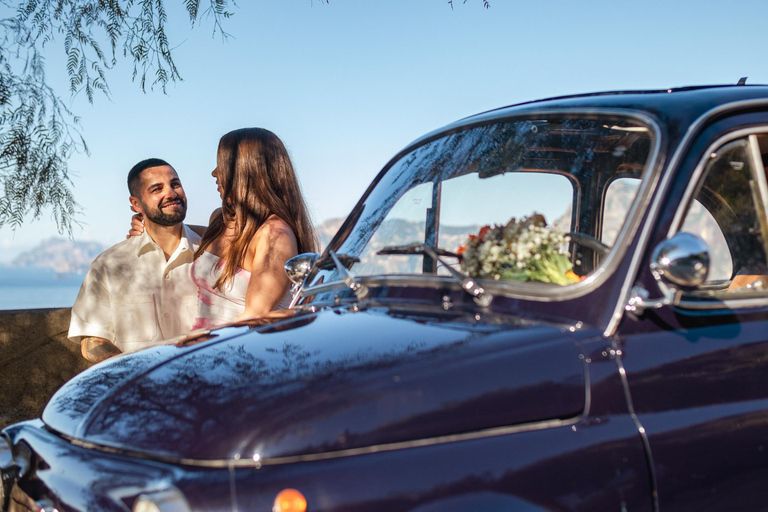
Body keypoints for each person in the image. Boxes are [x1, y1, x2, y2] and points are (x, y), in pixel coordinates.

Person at [69, 158, 201, 362]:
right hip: (141, 389)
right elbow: (92, 343)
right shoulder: (109, 264)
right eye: (157, 189)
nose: (171, 193)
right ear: (136, 204)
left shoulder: (213, 254)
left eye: (175, 184)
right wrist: (139, 372)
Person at [190, 128, 317, 329]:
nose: (214, 173)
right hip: (201, 350)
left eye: (221, 164)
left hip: (233, 352)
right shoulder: (220, 220)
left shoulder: (275, 236)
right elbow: (201, 236)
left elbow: (254, 317)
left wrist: (197, 343)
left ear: (245, 171)